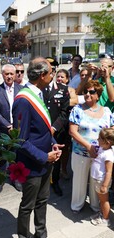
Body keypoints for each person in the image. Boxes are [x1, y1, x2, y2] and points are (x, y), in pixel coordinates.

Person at [12, 57, 64, 238]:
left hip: (45, 159)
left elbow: (41, 128)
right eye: (51, 73)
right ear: (42, 75)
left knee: (42, 201)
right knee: (28, 205)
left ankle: (41, 235)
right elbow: (20, 140)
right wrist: (44, 156)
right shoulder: (23, 100)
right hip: (32, 164)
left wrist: (52, 142)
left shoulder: (40, 93)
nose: (53, 76)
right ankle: (24, 237)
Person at [69, 80, 114, 214]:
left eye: (92, 92)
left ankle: (95, 206)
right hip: (80, 153)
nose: (88, 94)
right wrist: (88, 146)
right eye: (86, 92)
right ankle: (77, 205)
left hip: (100, 156)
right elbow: (72, 131)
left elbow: (111, 131)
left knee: (96, 180)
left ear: (98, 95)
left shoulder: (106, 111)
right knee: (79, 181)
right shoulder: (77, 109)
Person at [0, 64, 23, 193]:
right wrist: (7, 125)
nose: (9, 76)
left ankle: (16, 179)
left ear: (15, 75)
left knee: (16, 155)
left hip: (18, 129)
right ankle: (0, 180)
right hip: (4, 130)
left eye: (11, 74)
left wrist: (17, 126)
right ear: (2, 74)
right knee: (2, 155)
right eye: (6, 74)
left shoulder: (21, 89)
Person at [43, 63, 70, 196]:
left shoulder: (63, 89)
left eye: (49, 72)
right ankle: (43, 182)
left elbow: (64, 113)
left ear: (52, 73)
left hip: (57, 131)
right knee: (42, 157)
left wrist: (54, 127)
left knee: (56, 158)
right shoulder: (37, 89)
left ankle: (55, 182)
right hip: (41, 131)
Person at [90, 128, 114, 227]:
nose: (97, 139)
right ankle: (103, 214)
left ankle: (106, 219)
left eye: (100, 138)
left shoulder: (108, 155)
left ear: (107, 142)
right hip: (97, 179)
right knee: (101, 200)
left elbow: (109, 172)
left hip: (102, 181)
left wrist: (104, 185)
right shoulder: (102, 148)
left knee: (104, 200)